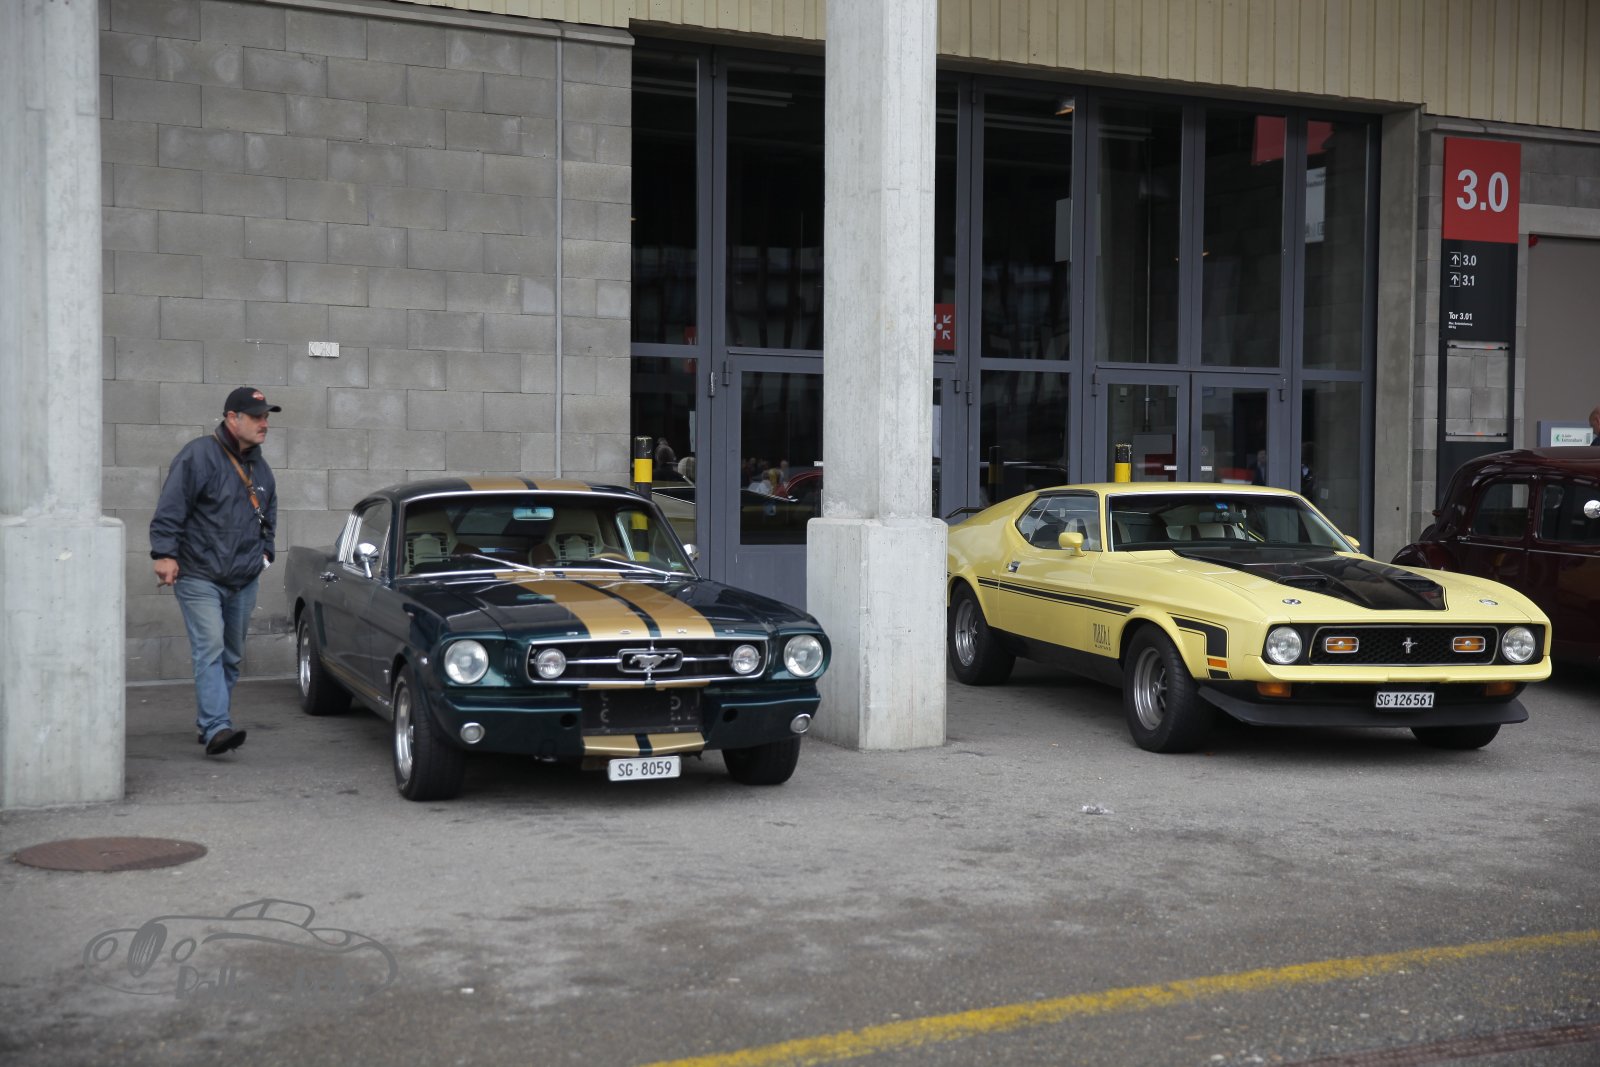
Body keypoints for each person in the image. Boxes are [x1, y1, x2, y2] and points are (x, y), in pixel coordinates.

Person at [150, 387, 280, 756]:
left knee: (231, 656)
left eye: (266, 417)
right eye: (256, 416)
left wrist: (264, 555)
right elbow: (171, 507)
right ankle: (217, 727)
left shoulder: (262, 469)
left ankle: (209, 721)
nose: (264, 423)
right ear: (232, 418)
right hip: (199, 574)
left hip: (243, 578)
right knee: (210, 647)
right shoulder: (198, 456)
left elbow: (269, 518)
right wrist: (164, 553)